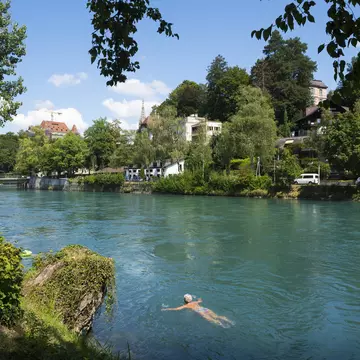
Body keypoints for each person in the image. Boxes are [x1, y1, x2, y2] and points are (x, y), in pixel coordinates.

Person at [162, 294, 234, 328]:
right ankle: (229, 321)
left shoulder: (186, 305)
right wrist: (199, 298)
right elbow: (200, 301)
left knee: (211, 319)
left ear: (184, 300)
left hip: (201, 312)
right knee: (216, 316)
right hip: (205, 309)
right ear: (191, 299)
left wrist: (166, 309)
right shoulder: (195, 302)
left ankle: (222, 325)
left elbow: (176, 309)